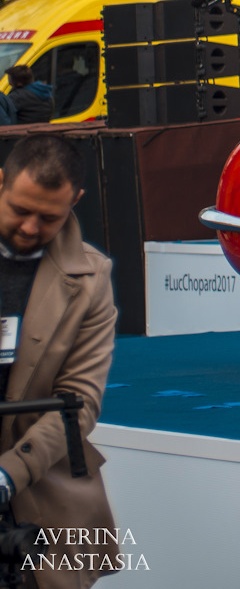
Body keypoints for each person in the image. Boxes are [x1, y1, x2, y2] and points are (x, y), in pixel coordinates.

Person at [0, 134, 120, 584]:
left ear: (76, 201)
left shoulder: (92, 278)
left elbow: (80, 402)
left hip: (43, 493)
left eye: (49, 217)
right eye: (19, 210)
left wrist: (8, 475)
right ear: (0, 183)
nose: (30, 228)